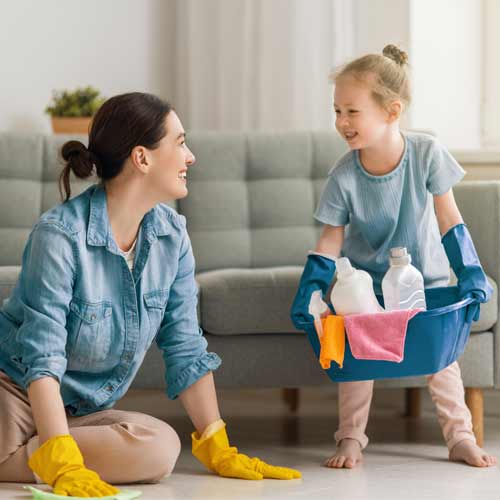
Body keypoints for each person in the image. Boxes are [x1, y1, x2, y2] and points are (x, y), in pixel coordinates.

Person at [0, 92, 301, 497]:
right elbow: (43, 358)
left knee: (159, 447)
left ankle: (33, 454)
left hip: (77, 414)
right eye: (179, 142)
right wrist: (59, 456)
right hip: (15, 395)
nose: (190, 156)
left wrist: (217, 445)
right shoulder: (60, 236)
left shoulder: (171, 236)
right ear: (141, 158)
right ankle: (45, 455)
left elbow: (185, 346)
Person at [291, 45, 497, 470]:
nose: (341, 122)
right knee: (353, 356)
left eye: (352, 111)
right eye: (336, 111)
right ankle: (350, 438)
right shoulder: (344, 175)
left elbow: (448, 218)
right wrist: (311, 287)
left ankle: (460, 437)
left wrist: (469, 271)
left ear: (391, 111)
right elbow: (331, 239)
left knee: (443, 360)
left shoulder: (426, 154)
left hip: (429, 280)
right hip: (364, 286)